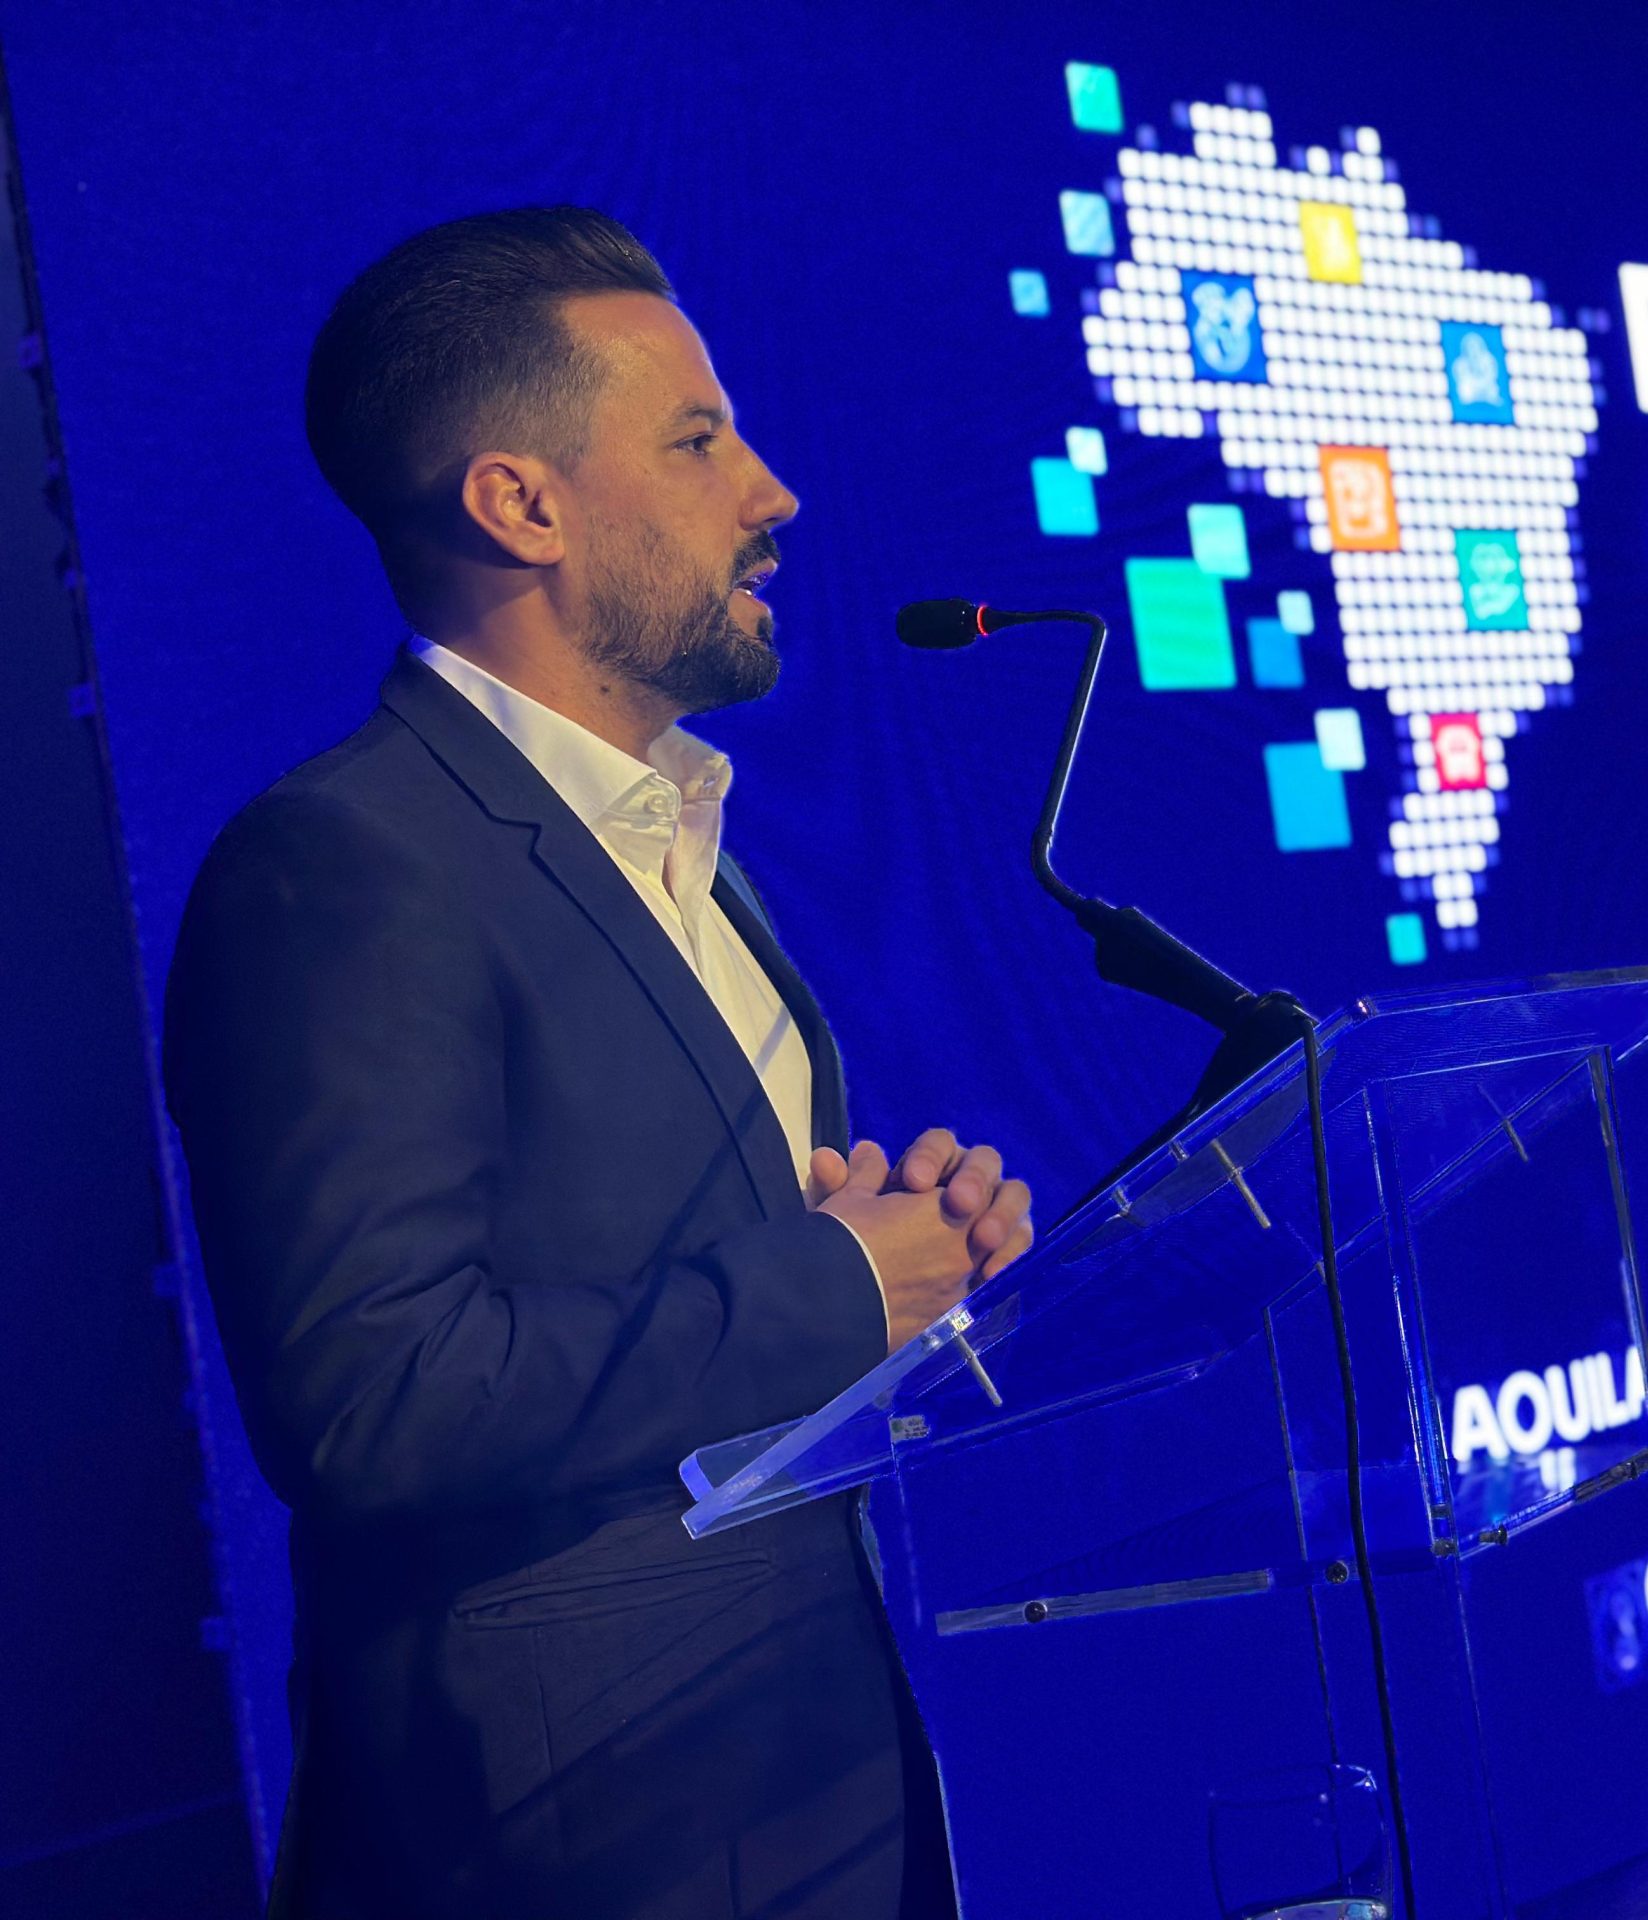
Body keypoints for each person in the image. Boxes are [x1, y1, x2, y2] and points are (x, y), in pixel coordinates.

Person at [161, 206, 1019, 1919]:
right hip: (572, 1851)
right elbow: (376, 1398)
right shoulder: (346, 862)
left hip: (806, 1788)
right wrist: (832, 1287)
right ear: (521, 504)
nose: (773, 492)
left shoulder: (676, 839)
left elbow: (662, 1299)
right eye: (699, 442)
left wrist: (892, 1261)